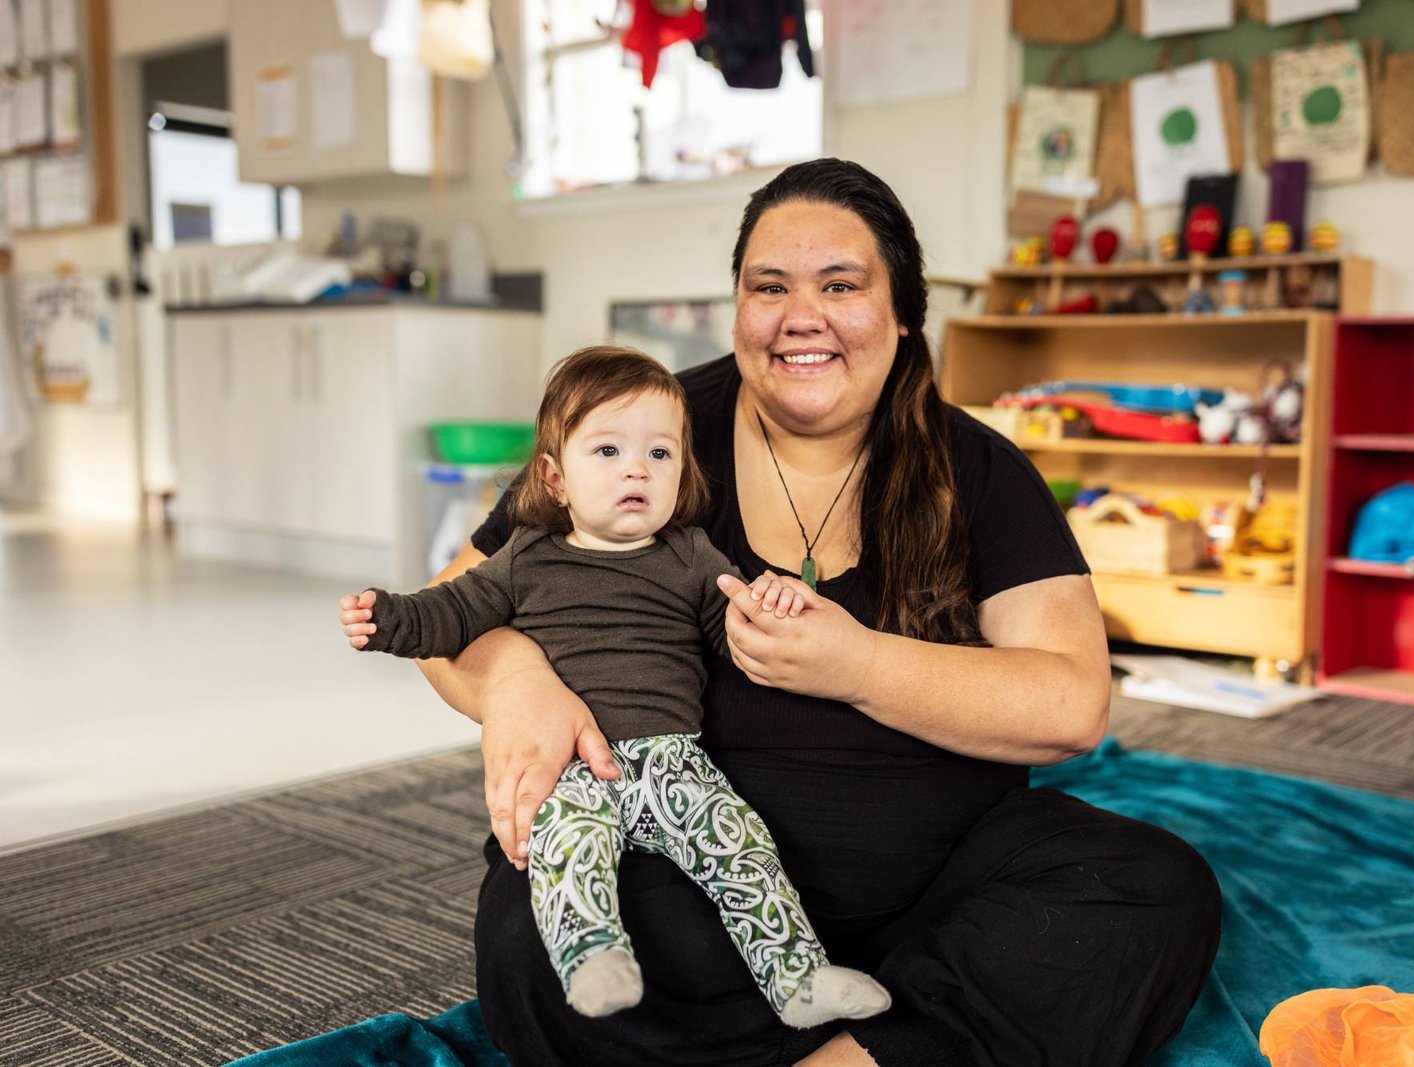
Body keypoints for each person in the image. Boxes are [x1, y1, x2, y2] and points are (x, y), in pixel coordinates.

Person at [392, 157, 1222, 1066]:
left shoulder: (978, 468)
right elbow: (451, 607)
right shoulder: (645, 433)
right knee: (536, 930)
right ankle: (898, 1040)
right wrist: (515, 678)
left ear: (903, 313)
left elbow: (1070, 703)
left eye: (841, 285)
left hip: (938, 885)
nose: (801, 317)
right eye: (769, 286)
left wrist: (856, 663)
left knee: (1153, 887)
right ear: (738, 306)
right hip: (696, 874)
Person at [338, 346, 890, 1029]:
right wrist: (386, 617)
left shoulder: (691, 555)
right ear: (554, 476)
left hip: (676, 762)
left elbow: (736, 635)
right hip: (574, 764)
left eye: (660, 454)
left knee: (740, 843)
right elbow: (450, 613)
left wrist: (774, 610)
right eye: (607, 450)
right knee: (566, 847)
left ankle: (796, 975)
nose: (637, 468)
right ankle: (593, 957)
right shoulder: (526, 556)